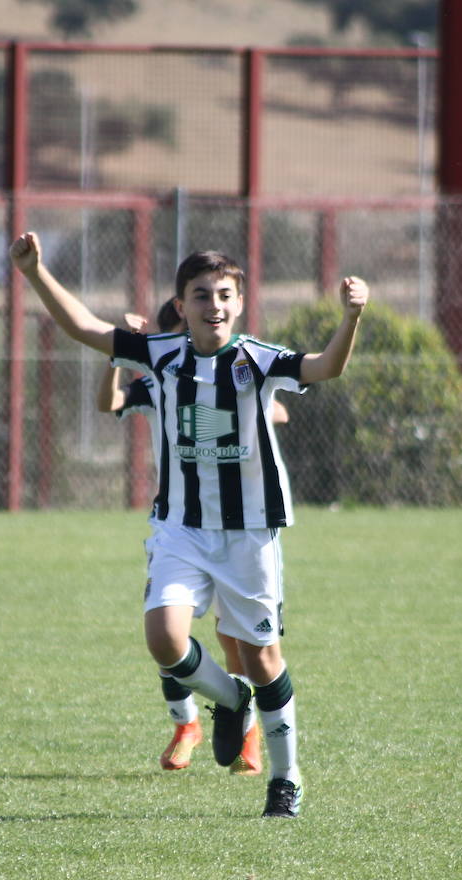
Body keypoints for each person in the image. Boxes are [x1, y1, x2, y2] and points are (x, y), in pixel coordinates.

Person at [10, 230, 369, 818]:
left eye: (225, 294)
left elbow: (328, 366)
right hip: (180, 526)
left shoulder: (259, 358)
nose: (215, 305)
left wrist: (352, 317)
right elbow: (83, 328)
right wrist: (34, 273)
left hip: (250, 531)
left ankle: (286, 777)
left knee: (262, 659)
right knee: (164, 638)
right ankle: (231, 704)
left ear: (240, 302)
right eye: (201, 295)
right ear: (181, 306)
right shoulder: (161, 356)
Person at [96, 300, 287, 777]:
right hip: (179, 519)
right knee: (165, 627)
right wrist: (115, 357)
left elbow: (276, 407)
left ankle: (246, 731)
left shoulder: (233, 368)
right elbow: (109, 403)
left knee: (235, 639)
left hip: (238, 523)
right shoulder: (160, 375)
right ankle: (186, 725)